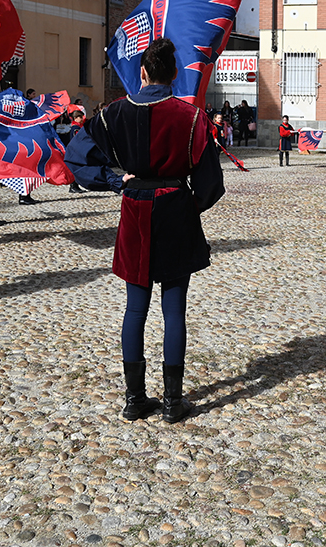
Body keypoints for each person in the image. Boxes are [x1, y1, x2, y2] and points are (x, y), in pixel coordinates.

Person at [75, 38, 224, 423]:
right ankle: (173, 403)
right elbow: (210, 184)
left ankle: (134, 398)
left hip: (135, 207)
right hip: (175, 207)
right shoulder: (190, 117)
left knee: (135, 308)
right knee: (174, 310)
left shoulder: (113, 114)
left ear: (142, 73)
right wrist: (189, 206)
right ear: (174, 74)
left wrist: (114, 179)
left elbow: (77, 157)